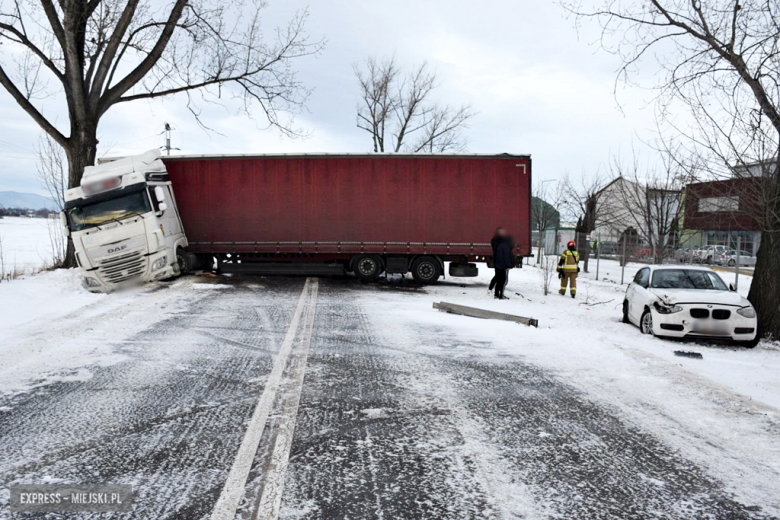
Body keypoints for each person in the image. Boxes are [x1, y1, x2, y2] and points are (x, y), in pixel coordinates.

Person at [494, 234, 515, 299]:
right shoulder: (506, 247)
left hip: (498, 265)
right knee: (503, 281)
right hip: (502, 266)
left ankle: (496, 294)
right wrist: (509, 265)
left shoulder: (501, 246)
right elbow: (507, 257)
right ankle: (501, 295)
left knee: (499, 280)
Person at [488, 227, 507, 293]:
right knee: (498, 276)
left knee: (503, 277)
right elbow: (497, 248)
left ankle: (500, 292)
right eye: (501, 231)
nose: (503, 233)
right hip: (497, 259)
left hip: (504, 260)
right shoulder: (495, 240)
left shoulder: (505, 239)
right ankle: (493, 290)